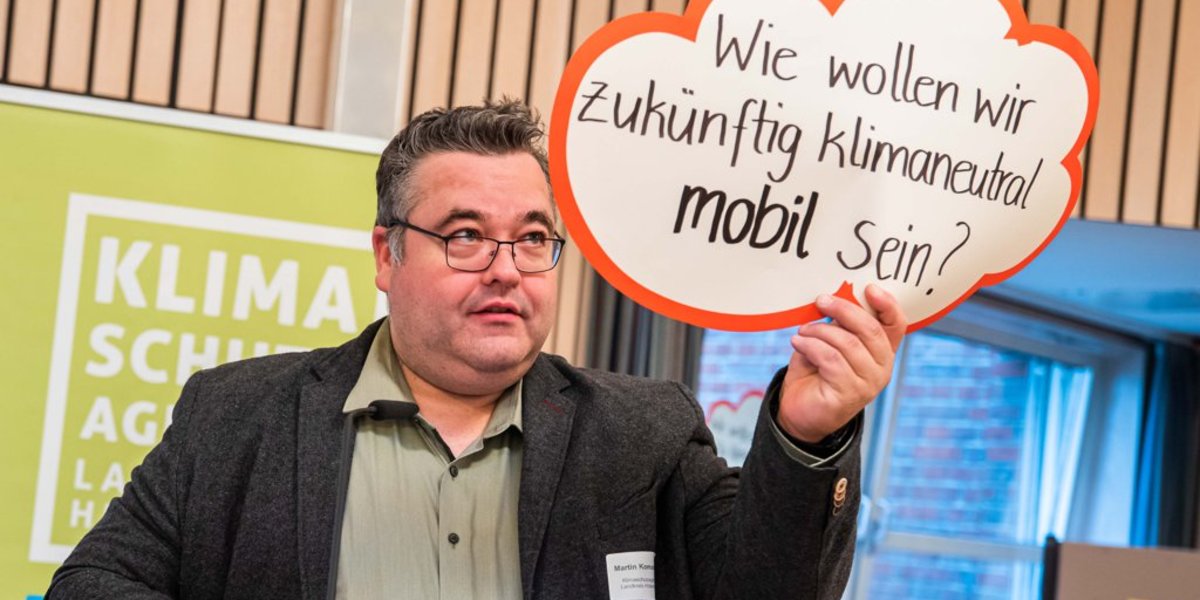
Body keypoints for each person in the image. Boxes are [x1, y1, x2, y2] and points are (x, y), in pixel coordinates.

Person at [47, 100, 906, 599]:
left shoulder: (643, 433)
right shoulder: (238, 416)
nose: (506, 268)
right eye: (464, 235)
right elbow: (92, 587)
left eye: (533, 239)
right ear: (387, 255)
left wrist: (806, 434)